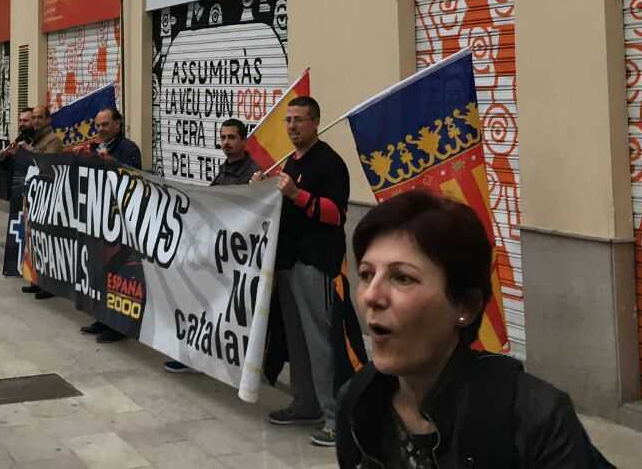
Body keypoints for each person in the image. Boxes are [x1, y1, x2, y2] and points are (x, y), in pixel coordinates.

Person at [336, 191, 615, 468]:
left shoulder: (533, 416)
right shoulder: (358, 401)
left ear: (465, 306)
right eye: (366, 274)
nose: (371, 296)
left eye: (402, 278)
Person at [252, 95, 350, 447]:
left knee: (320, 342)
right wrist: (263, 190)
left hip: (315, 265)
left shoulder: (330, 163)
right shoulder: (288, 163)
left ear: (315, 123)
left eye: (299, 120)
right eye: (288, 120)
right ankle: (305, 403)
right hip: (288, 264)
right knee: (297, 341)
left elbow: (337, 214)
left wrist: (297, 195)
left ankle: (335, 418)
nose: (292, 126)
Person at [164, 117, 260, 374]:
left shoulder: (254, 173)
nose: (225, 143)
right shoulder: (226, 168)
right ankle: (196, 352)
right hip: (216, 250)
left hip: (235, 255)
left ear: (243, 140)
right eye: (222, 138)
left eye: (231, 138)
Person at [78, 106, 143, 343]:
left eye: (105, 124)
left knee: (119, 274)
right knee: (100, 270)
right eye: (98, 125)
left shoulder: (128, 149)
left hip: (119, 221)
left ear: (118, 124)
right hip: (99, 216)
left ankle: (118, 325)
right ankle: (102, 317)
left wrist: (112, 162)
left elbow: (134, 178)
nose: (101, 129)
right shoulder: (96, 146)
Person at [25, 104, 61, 298]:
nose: (36, 121)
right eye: (35, 117)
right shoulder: (36, 139)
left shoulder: (53, 139)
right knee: (36, 239)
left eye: (40, 118)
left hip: (48, 194)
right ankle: (38, 279)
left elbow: (48, 164)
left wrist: (29, 151)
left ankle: (50, 285)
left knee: (46, 241)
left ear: (48, 120)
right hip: (35, 194)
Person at [0, 109, 35, 277]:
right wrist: (4, 157)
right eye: (20, 120)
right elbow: (11, 166)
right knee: (19, 231)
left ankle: (31, 268)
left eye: (26, 120)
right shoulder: (18, 139)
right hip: (17, 192)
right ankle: (17, 264)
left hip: (33, 194)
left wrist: (27, 150)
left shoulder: (37, 140)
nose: (22, 123)